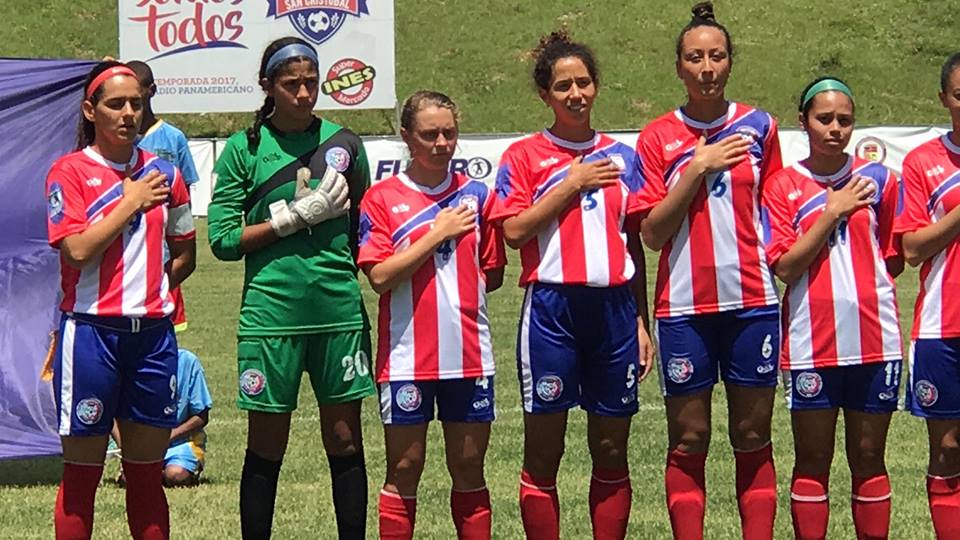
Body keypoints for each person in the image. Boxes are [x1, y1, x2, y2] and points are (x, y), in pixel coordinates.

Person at [207, 36, 374, 540]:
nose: (304, 93)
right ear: (267, 87)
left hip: (338, 313)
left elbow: (364, 227)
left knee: (345, 440)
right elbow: (221, 240)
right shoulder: (245, 148)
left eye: (310, 82)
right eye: (291, 84)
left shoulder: (346, 144)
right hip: (271, 318)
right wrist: (289, 220)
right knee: (266, 445)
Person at [491, 31, 653, 540]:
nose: (576, 94)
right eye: (563, 86)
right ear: (545, 94)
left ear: (597, 86)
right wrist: (571, 183)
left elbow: (635, 246)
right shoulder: (524, 156)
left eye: (584, 83)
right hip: (552, 312)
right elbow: (514, 231)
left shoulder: (624, 157)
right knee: (545, 449)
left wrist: (642, 321)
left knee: (610, 447)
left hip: (614, 312)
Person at [635, 4, 783, 539]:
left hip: (753, 304)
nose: (706, 67)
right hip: (684, 308)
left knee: (751, 432)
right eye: (694, 57)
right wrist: (695, 168)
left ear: (730, 63)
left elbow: (777, 211)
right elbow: (651, 233)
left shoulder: (760, 126)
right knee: (690, 436)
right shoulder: (657, 138)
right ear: (678, 66)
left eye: (716, 56)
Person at [45, 60, 196, 539]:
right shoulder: (69, 172)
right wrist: (129, 201)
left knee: (146, 474)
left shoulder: (166, 173)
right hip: (91, 335)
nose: (129, 112)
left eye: (136, 102)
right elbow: (78, 250)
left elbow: (186, 252)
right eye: (116, 104)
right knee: (82, 475)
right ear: (92, 110)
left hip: (152, 337)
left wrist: (149, 290)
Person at [358, 91, 506, 540]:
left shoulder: (478, 196)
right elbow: (380, 276)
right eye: (429, 134)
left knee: (468, 466)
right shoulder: (381, 199)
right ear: (406, 137)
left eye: (449, 133)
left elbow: (492, 273)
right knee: (405, 467)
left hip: (468, 357)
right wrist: (435, 234)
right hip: (406, 359)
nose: (441, 143)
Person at [762, 76, 903, 540]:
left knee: (868, 458)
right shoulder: (783, 185)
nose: (835, 128)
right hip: (811, 341)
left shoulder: (880, 180)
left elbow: (891, 258)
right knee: (813, 460)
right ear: (804, 122)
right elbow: (785, 266)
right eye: (824, 118)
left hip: (874, 339)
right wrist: (831, 211)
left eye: (844, 119)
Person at [896, 52, 960, 539]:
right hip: (943, 325)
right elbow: (912, 248)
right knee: (948, 448)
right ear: (944, 99)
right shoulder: (923, 163)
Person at [126, 60, 201, 333]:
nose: (129, 105)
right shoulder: (117, 141)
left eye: (137, 94)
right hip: (127, 247)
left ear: (152, 90)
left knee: (161, 328)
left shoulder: (173, 138)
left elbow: (185, 198)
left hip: (165, 253)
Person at [111, 348, 213, 488]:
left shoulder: (187, 361)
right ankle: (148, 472)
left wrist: (166, 437)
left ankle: (166, 472)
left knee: (175, 475)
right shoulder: (131, 362)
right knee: (130, 480)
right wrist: (124, 444)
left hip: (181, 442)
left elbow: (201, 416)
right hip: (142, 445)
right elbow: (111, 412)